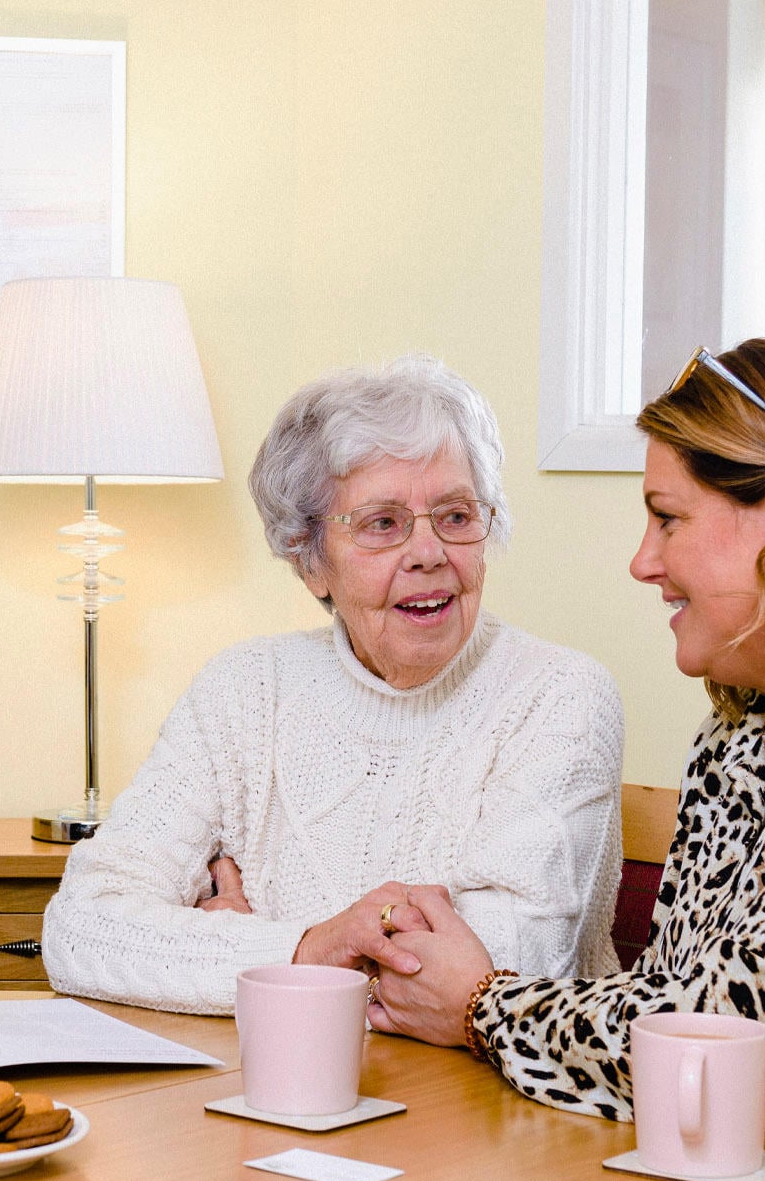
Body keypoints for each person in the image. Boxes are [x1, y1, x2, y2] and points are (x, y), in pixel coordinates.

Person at [41, 355, 624, 1013]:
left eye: (456, 516)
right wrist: (302, 950)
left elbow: (495, 984)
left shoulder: (561, 697)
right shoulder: (244, 690)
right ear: (310, 560)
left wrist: (234, 950)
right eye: (383, 524)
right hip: (255, 1072)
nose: (429, 553)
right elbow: (79, 928)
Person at [370, 328, 765, 1128]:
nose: (642, 562)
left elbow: (757, 1052)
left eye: (668, 519)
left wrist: (482, 1005)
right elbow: (667, 1002)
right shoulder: (735, 740)